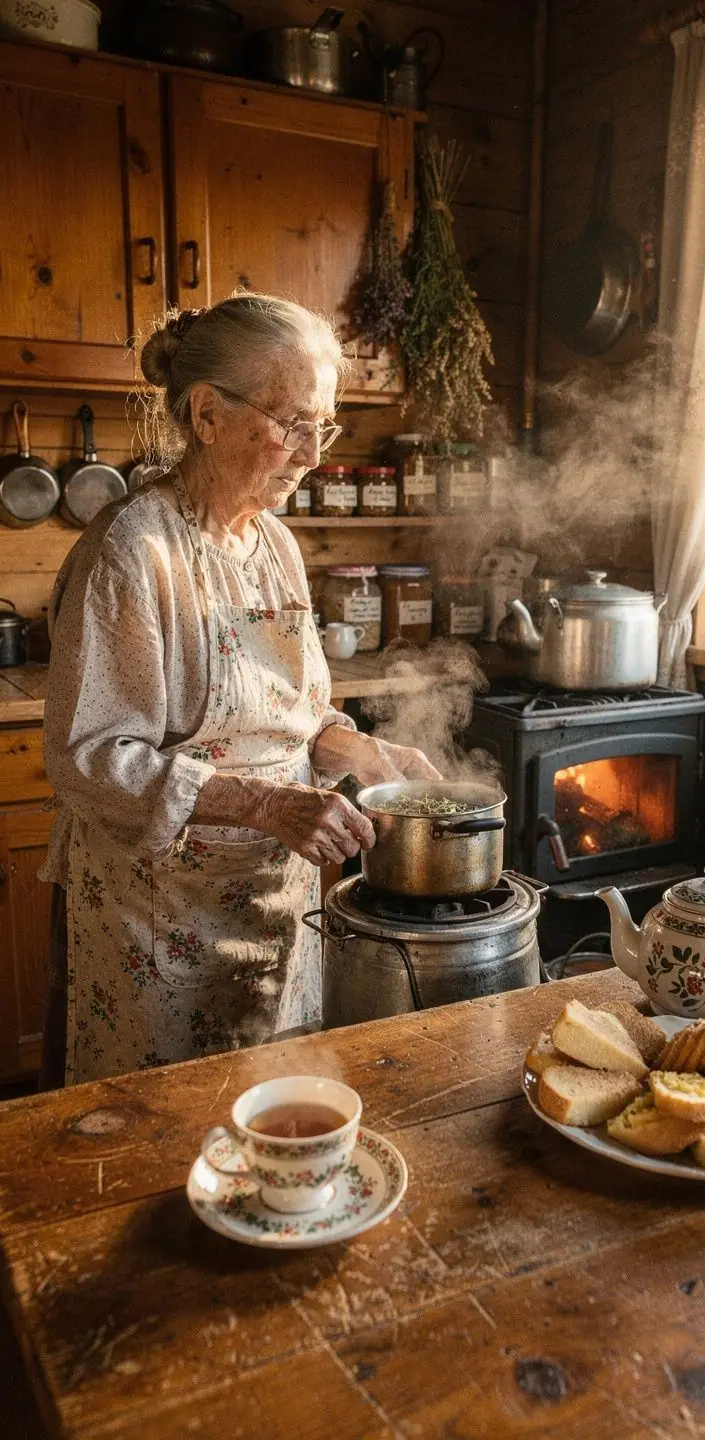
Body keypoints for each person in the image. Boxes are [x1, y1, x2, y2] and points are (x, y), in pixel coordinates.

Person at [40, 293, 439, 1085]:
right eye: (293, 423)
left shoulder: (275, 544)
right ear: (207, 415)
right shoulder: (133, 549)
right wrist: (263, 804)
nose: (312, 454)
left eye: (324, 427)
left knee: (270, 1107)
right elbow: (91, 758)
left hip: (277, 899)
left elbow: (291, 712)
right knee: (164, 1125)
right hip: (158, 915)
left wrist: (359, 750)